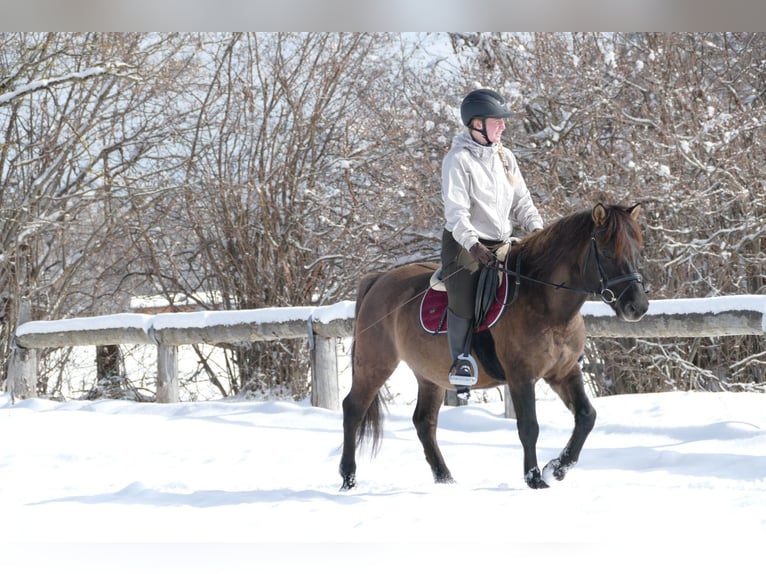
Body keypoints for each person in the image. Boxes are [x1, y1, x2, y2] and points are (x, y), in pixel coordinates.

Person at [441, 88, 544, 398]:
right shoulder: (457, 160)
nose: (503, 126)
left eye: (502, 121)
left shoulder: (505, 156)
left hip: (502, 241)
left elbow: (522, 202)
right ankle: (461, 362)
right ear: (476, 124)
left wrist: (539, 233)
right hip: (464, 244)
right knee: (464, 292)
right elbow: (456, 213)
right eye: (497, 121)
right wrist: (474, 246)